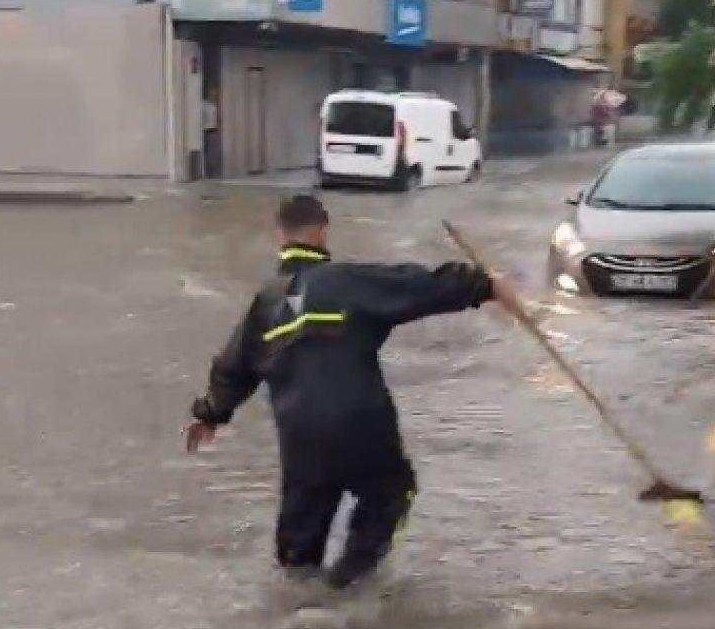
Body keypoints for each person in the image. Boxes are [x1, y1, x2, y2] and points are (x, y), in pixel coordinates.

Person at [185, 194, 507, 589]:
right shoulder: (348, 281)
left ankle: (299, 610)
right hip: (362, 423)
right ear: (323, 232)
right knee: (392, 491)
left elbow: (233, 367)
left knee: (298, 551)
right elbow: (418, 287)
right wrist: (482, 285)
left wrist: (209, 415)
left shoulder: (264, 304)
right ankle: (350, 582)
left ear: (279, 237)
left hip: (301, 438)